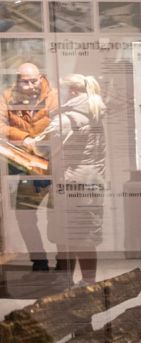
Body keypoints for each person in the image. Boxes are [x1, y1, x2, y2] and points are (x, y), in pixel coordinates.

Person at [25, 74, 107, 285]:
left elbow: (40, 146)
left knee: (66, 237)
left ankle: (65, 284)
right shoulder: (94, 114)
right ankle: (89, 283)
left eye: (61, 90)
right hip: (91, 182)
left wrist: (29, 141)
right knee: (86, 238)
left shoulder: (67, 119)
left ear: (71, 91)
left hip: (70, 184)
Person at [0, 62, 58, 272]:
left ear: (41, 77)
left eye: (35, 80)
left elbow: (63, 122)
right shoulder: (7, 97)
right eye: (26, 81)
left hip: (54, 166)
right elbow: (0, 125)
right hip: (27, 167)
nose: (32, 85)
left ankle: (63, 262)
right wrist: (24, 137)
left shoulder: (53, 96)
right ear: (17, 81)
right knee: (25, 215)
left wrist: (44, 138)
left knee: (58, 216)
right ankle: (39, 261)